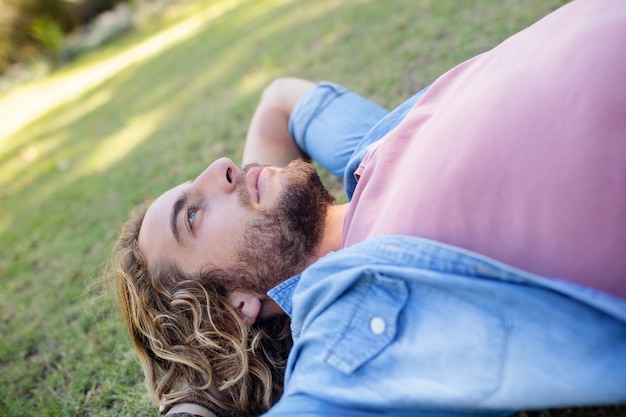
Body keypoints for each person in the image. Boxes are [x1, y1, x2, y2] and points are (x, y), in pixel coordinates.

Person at [109, 0, 626, 416]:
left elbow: (279, 101)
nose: (222, 166)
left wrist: (253, 209)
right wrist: (202, 397)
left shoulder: (373, 150)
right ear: (235, 306)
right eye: (192, 216)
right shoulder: (348, 322)